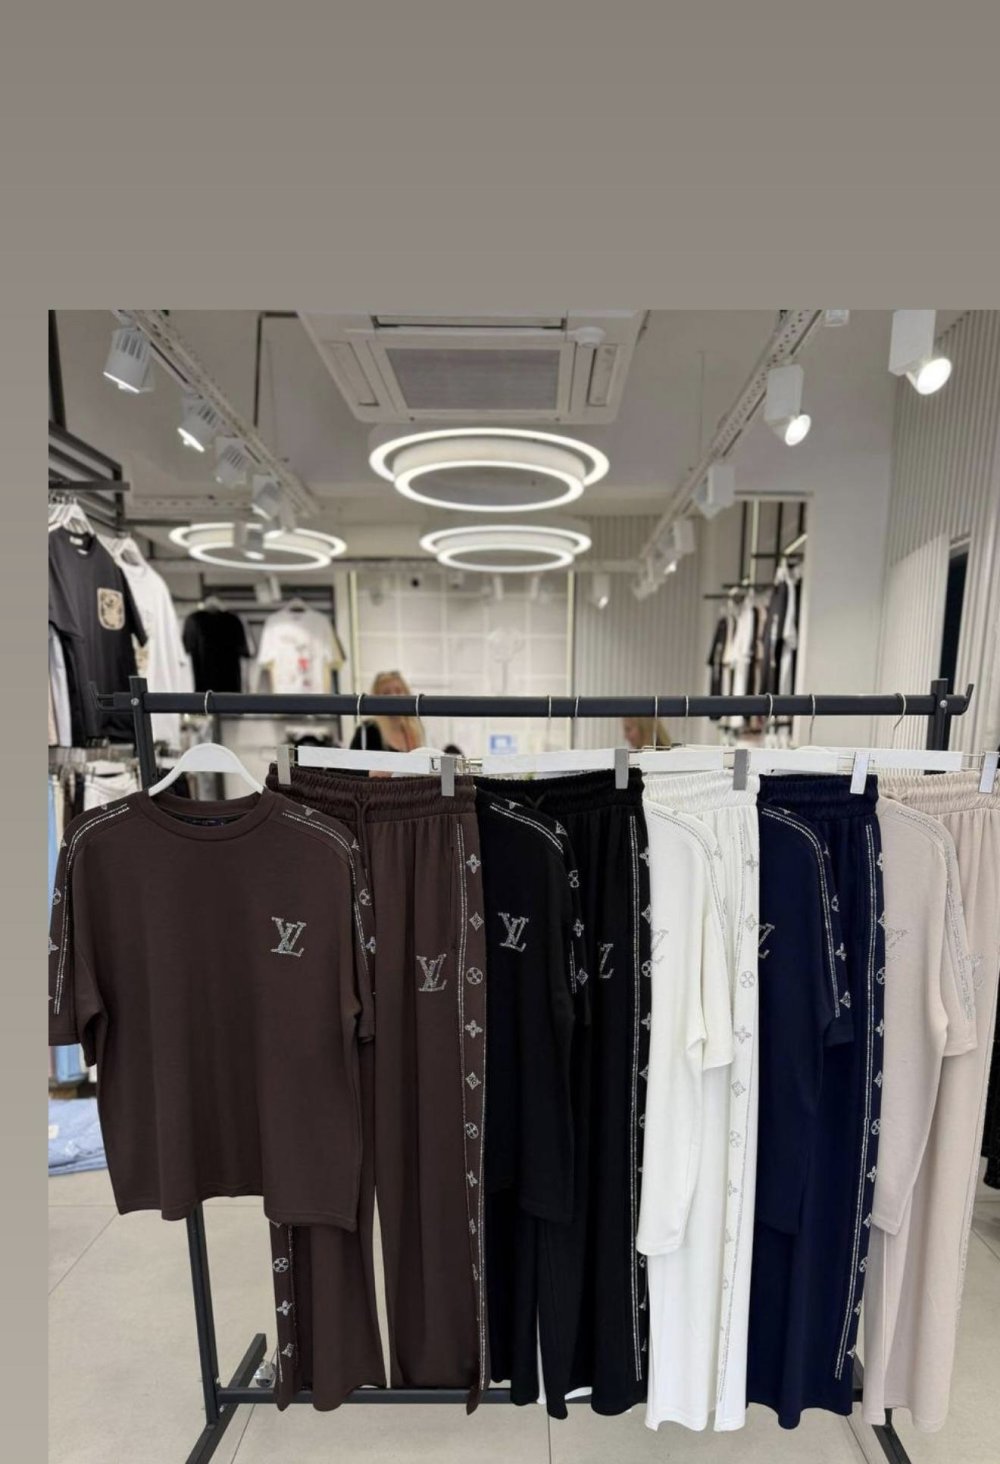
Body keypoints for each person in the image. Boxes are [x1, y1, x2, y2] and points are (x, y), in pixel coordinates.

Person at [351, 670, 426, 751]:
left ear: (406, 693)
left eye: (398, 691)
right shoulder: (367, 731)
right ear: (376, 698)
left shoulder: (414, 730)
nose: (394, 696)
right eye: (386, 693)